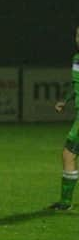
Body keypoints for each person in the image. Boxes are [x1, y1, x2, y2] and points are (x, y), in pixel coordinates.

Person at [49, 25, 79, 211]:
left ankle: (65, 203)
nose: (78, 39)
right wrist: (65, 100)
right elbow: (76, 84)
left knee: (68, 154)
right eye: (77, 35)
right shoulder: (76, 59)